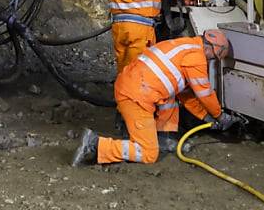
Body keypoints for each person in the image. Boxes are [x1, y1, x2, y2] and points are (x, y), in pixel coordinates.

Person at [71, 29, 236, 166]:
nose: (210, 61)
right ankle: (96, 145)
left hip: (133, 86)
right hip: (136, 96)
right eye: (213, 57)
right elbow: (205, 93)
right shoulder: (196, 57)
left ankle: (164, 138)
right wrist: (220, 116)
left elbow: (186, 95)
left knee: (170, 98)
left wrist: (206, 117)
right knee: (148, 154)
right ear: (210, 48)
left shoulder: (185, 46)